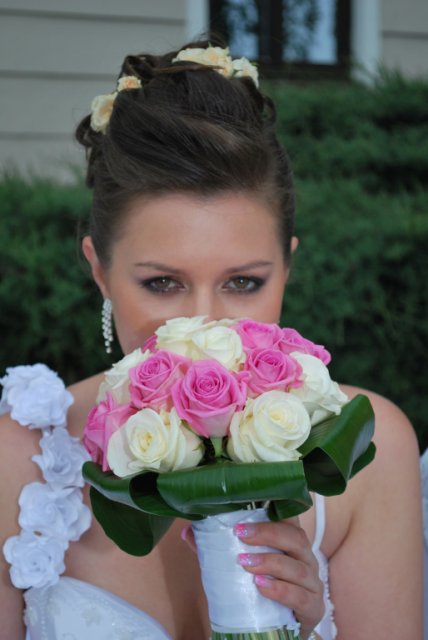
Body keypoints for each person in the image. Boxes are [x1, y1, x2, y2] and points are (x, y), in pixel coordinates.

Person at [0, 36, 423, 640]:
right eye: (163, 282)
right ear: (100, 272)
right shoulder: (15, 462)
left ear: (287, 269)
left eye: (244, 282)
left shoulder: (368, 453)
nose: (204, 327)